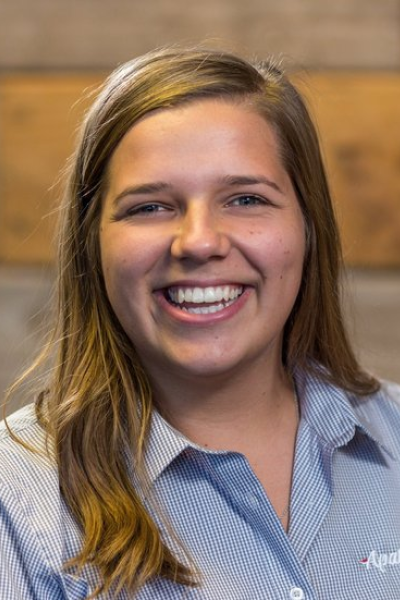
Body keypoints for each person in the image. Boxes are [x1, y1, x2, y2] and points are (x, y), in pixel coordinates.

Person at [0, 45, 399, 600]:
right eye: (150, 207)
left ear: (309, 229)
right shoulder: (15, 504)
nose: (199, 242)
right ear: (93, 245)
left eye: (244, 198)